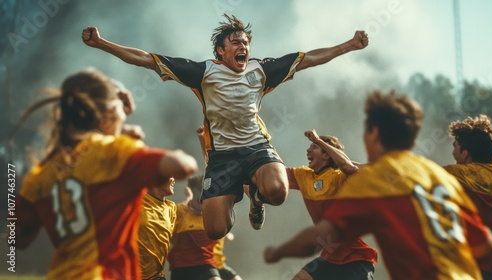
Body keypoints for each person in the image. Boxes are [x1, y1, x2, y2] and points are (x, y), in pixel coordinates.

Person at [81, 14, 369, 239]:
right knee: (215, 230)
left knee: (278, 193)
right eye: (235, 42)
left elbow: (307, 59)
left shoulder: (261, 70)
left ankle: (256, 198)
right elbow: (147, 59)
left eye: (245, 42)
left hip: (257, 147)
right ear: (220, 50)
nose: (242, 46)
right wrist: (101, 43)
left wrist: (349, 45)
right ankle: (234, 194)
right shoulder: (201, 72)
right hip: (222, 156)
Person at [264, 91, 492, 280]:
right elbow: (485, 242)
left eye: (455, 146)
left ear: (374, 134)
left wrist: (280, 251)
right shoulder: (442, 179)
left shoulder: (394, 181)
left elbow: (326, 229)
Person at [13, 69, 198, 280]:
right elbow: (184, 166)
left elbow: (17, 239)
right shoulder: (112, 153)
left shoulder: (42, 172)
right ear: (110, 113)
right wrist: (123, 134)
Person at [285, 129, 377, 279]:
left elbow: (349, 167)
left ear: (326, 155)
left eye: (313, 147)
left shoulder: (341, 177)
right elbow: (274, 173)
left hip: (356, 257)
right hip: (331, 257)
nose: (308, 149)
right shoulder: (303, 175)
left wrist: (318, 140)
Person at [443, 114, 492, 280]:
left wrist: (365, 168)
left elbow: (413, 170)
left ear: (465, 153)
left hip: (481, 266)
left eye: (455, 146)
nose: (453, 153)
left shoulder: (462, 173)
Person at [168, 175, 222, 280]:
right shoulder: (178, 211)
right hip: (181, 266)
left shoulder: (214, 215)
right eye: (200, 201)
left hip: (206, 264)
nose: (203, 206)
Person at [137, 177, 177, 280]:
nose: (174, 179)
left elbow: (169, 243)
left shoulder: (171, 208)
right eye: (171, 174)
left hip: (156, 277)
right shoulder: (134, 202)